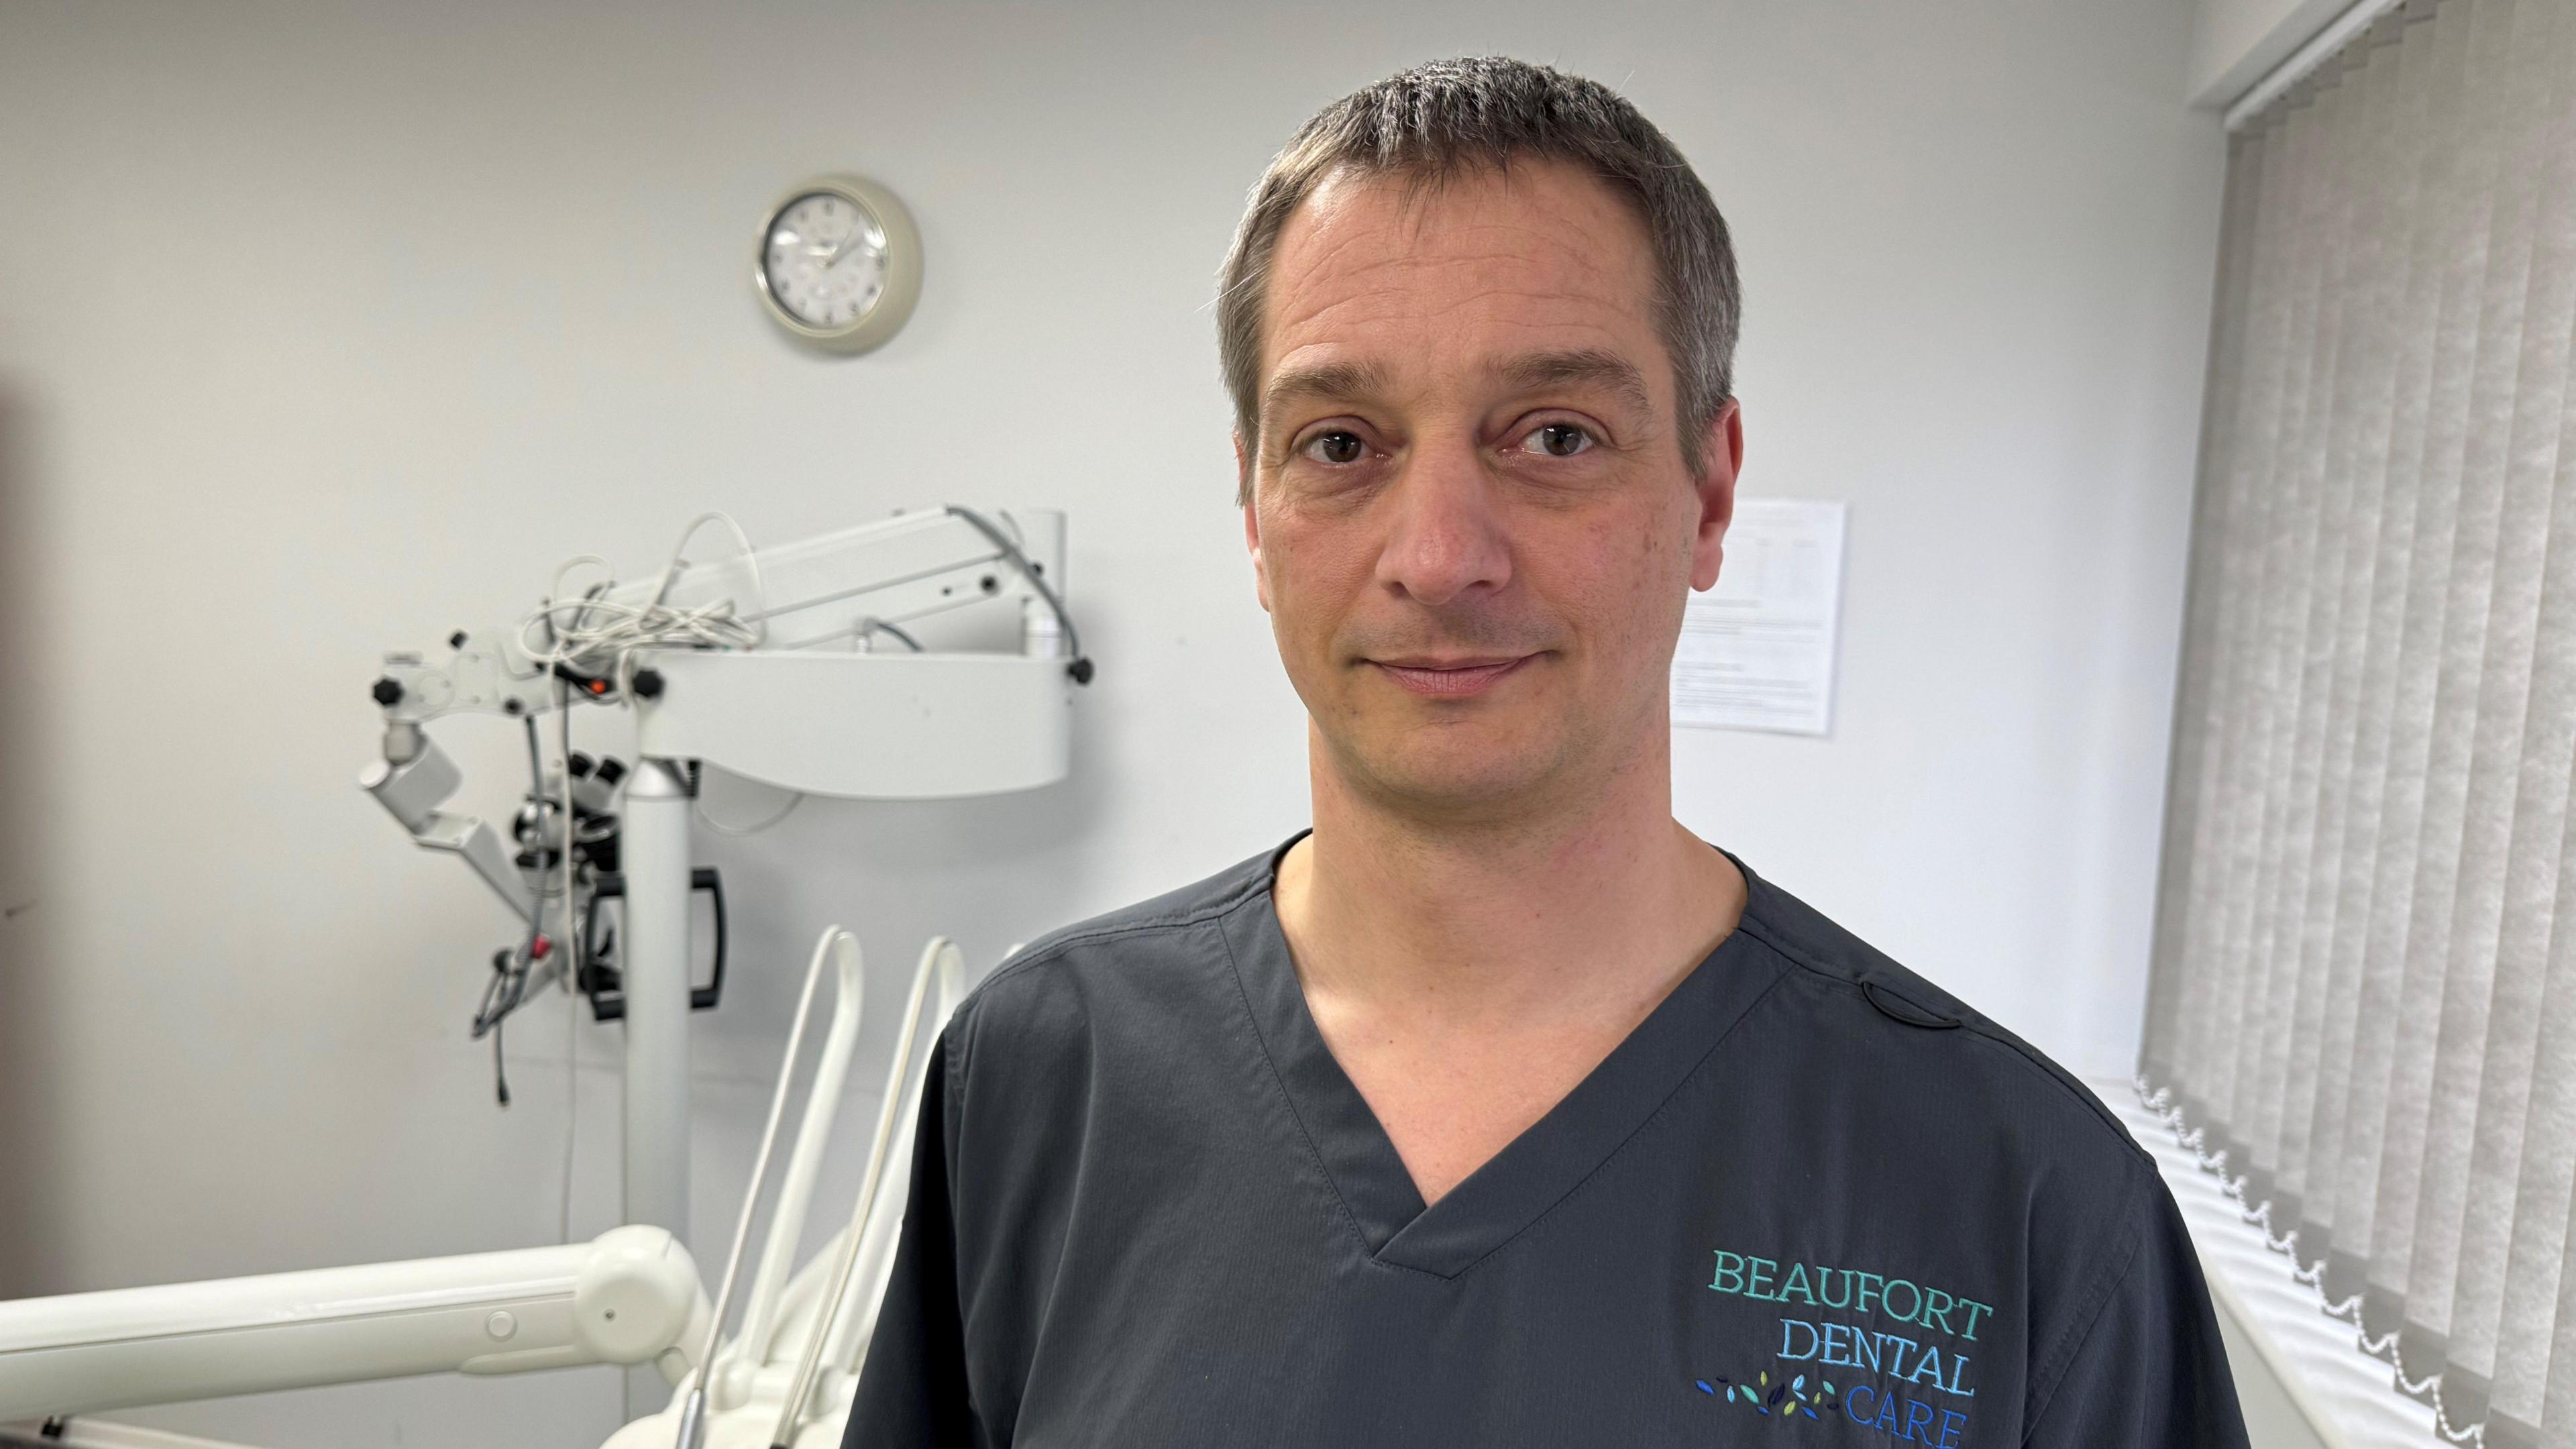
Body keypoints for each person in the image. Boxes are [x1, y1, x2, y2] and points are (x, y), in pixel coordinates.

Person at [843, 56, 2248, 1448]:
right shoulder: (1039, 1085)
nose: (1441, 556)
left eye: (1555, 434)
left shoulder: (2023, 1206)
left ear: (1709, 492)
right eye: (1341, 442)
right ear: (1255, 511)